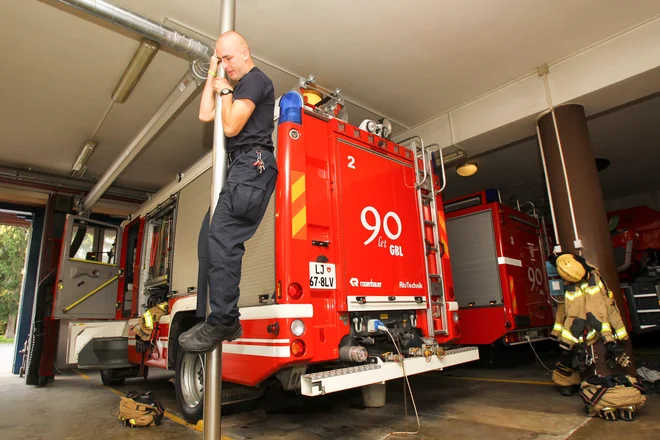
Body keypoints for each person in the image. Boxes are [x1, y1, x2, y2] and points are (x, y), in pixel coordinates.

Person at [179, 31, 277, 353]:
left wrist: (225, 89)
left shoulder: (255, 81)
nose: (226, 64)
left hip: (253, 163)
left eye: (229, 58)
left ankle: (223, 321)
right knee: (214, 235)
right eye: (221, 59)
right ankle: (222, 317)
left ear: (245, 52)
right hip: (243, 168)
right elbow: (205, 114)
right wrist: (213, 75)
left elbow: (231, 127)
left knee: (222, 236)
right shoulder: (231, 86)